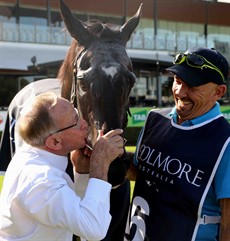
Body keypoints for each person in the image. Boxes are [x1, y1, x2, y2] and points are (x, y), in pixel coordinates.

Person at [125, 47, 230, 241]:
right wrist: (106, 158)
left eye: (192, 86)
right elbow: (141, 174)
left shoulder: (226, 141)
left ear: (218, 92)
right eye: (177, 81)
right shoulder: (154, 119)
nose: (180, 92)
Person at [0, 92, 125, 241]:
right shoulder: (41, 180)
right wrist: (99, 164)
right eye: (76, 121)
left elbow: (70, 212)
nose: (85, 123)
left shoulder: (32, 155)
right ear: (55, 142)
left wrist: (80, 172)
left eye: (77, 113)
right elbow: (93, 229)